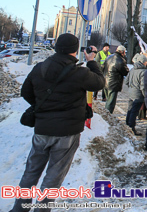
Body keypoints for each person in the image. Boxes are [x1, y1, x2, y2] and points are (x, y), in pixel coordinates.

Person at [11, 34, 105, 212]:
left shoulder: (41, 68)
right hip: (67, 133)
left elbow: (26, 92)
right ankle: (42, 209)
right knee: (54, 175)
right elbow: (99, 82)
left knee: (31, 171)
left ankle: (19, 208)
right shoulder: (80, 72)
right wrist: (92, 61)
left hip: (42, 129)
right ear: (76, 50)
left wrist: (43, 107)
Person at [125, 53, 147, 136]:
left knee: (130, 109)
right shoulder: (143, 72)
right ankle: (131, 127)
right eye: (146, 62)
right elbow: (143, 86)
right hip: (138, 95)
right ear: (143, 62)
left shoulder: (132, 69)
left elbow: (126, 81)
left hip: (131, 92)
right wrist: (145, 95)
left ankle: (127, 124)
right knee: (134, 112)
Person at [103, 45, 129, 113]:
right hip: (113, 83)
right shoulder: (120, 60)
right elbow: (125, 72)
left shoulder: (109, 57)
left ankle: (106, 114)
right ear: (122, 52)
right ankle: (107, 116)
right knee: (111, 102)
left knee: (108, 100)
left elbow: (102, 67)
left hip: (106, 80)